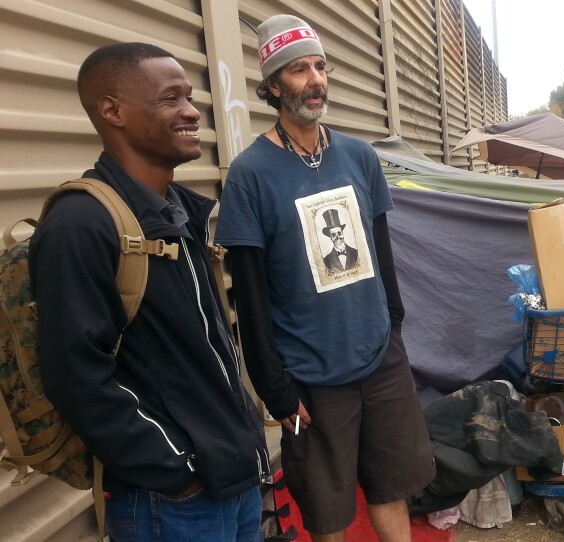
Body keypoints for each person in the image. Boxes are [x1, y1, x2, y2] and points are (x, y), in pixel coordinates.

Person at [30, 42, 269, 542]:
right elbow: (75, 375)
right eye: (170, 98)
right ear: (112, 110)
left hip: (233, 480)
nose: (190, 111)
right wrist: (176, 472)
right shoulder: (81, 224)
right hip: (172, 504)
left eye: (189, 96)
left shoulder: (180, 209)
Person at [215, 14, 435, 542]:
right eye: (297, 70)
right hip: (310, 375)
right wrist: (276, 389)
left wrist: (394, 331)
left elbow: (383, 258)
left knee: (390, 488)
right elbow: (249, 292)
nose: (315, 80)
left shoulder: (359, 156)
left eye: (320, 67)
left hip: (380, 359)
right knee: (328, 511)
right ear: (272, 86)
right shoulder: (251, 174)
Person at [321, 208, 360, 272]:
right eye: (333, 235)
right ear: (330, 237)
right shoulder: (326, 260)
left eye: (339, 233)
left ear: (343, 233)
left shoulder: (355, 253)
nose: (337, 237)